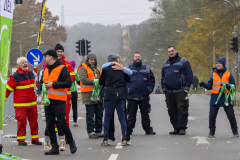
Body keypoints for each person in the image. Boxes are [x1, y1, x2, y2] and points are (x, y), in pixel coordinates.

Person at [39, 49, 77, 155]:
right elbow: (42, 82)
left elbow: (68, 83)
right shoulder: (46, 69)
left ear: (50, 57)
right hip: (48, 102)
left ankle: (71, 142)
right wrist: (41, 85)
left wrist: (53, 85)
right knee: (50, 125)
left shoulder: (62, 68)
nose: (44, 58)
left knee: (62, 124)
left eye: (45, 56)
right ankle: (54, 147)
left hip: (59, 101)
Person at [5, 57, 42, 146]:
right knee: (22, 122)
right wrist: (3, 100)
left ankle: (35, 139)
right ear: (19, 65)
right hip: (21, 105)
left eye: (26, 62)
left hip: (32, 104)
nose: (25, 63)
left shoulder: (30, 74)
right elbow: (8, 90)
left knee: (34, 123)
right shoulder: (15, 76)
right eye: (23, 62)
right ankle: (21, 140)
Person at [199, 57, 239, 138]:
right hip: (215, 98)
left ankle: (235, 132)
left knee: (231, 115)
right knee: (212, 116)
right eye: (217, 63)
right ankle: (211, 133)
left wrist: (227, 85)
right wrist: (203, 84)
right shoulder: (213, 74)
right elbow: (209, 86)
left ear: (223, 65)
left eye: (219, 63)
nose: (218, 64)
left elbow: (233, 86)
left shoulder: (228, 74)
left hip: (226, 98)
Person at [99, 55, 131, 146]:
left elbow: (101, 81)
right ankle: (124, 139)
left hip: (109, 94)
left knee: (107, 117)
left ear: (108, 61)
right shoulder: (121, 69)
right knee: (122, 118)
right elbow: (129, 79)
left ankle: (105, 139)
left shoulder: (105, 70)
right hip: (120, 94)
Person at [161, 46, 193, 135]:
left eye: (172, 51)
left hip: (180, 90)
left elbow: (189, 75)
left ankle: (182, 127)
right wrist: (164, 89)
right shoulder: (165, 63)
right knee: (171, 110)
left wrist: (186, 88)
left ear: (176, 51)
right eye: (169, 51)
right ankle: (176, 128)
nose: (171, 53)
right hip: (169, 91)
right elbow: (163, 76)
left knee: (182, 109)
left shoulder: (183, 61)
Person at [126, 52, 156, 135]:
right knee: (131, 116)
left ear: (141, 57)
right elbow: (124, 80)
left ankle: (148, 130)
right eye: (136, 57)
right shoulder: (128, 69)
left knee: (145, 115)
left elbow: (152, 80)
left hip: (144, 96)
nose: (137, 58)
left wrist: (149, 89)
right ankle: (128, 130)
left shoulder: (147, 68)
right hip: (132, 96)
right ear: (133, 58)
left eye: (139, 56)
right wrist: (127, 89)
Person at [78, 53, 104, 139]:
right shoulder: (83, 68)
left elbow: (101, 79)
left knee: (99, 114)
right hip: (88, 95)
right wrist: (95, 81)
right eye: (91, 60)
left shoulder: (97, 69)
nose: (93, 61)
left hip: (98, 95)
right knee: (90, 114)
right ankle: (90, 131)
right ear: (87, 60)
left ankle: (98, 130)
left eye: (94, 60)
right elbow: (84, 80)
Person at [55, 44, 75, 150]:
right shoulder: (50, 64)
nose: (59, 53)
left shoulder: (68, 64)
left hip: (66, 95)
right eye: (57, 51)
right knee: (53, 119)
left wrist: (59, 81)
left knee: (65, 117)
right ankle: (55, 138)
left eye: (61, 51)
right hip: (53, 95)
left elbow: (71, 78)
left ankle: (66, 138)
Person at [70, 60, 80, 127]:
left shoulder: (65, 73)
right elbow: (79, 82)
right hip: (73, 91)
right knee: (74, 107)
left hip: (66, 91)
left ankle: (65, 121)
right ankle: (75, 122)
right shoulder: (74, 73)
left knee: (65, 107)